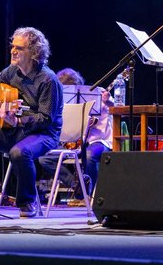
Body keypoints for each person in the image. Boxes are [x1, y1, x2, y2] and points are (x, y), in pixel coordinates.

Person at [0, 27, 63, 218]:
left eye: (19, 48)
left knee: (19, 152)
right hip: (14, 131)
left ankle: (27, 201)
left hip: (43, 135)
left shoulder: (48, 79)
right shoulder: (13, 71)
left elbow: (45, 119)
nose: (13, 51)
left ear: (34, 52)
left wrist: (18, 120)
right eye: (12, 46)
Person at [39, 68, 113, 200]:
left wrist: (108, 102)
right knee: (44, 157)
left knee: (89, 156)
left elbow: (119, 108)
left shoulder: (99, 93)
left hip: (98, 141)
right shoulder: (63, 100)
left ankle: (88, 196)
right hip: (75, 144)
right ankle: (77, 185)